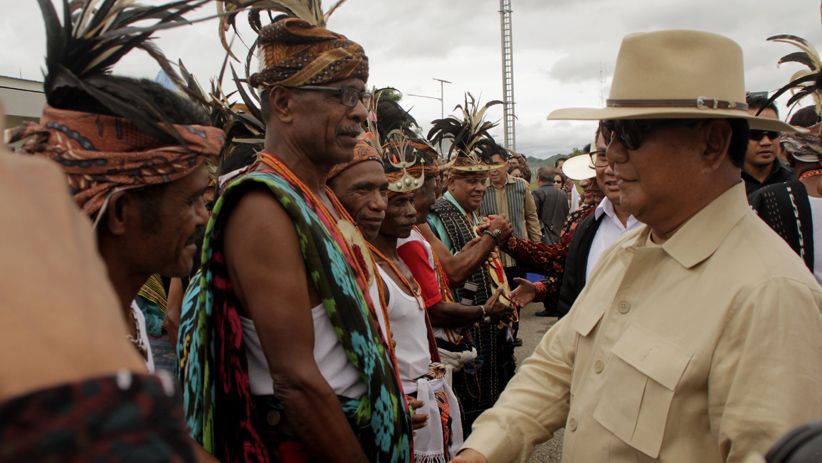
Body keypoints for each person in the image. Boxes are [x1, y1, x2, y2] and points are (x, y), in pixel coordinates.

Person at [453, 30, 822, 463]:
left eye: (630, 132)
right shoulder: (626, 253)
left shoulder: (770, 296)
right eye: (609, 133)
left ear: (712, 143)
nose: (610, 152)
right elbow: (555, 368)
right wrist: (480, 452)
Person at [177, 7, 412, 463]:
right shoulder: (262, 205)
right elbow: (297, 382)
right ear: (282, 103)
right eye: (342, 94)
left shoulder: (316, 196)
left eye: (360, 95)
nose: (361, 112)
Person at [9, 0, 222, 375]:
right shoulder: (43, 348)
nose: (204, 215)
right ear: (122, 212)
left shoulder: (130, 315)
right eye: (191, 200)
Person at [427, 95, 517, 431]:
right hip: (463, 334)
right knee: (466, 420)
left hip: (487, 333)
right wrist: (492, 237)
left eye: (482, 179)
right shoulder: (437, 215)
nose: (479, 186)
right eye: (470, 180)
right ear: (450, 181)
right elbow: (450, 272)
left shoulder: (470, 213)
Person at [512, 130, 642, 317]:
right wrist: (540, 289)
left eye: (624, 157)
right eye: (602, 157)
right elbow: (572, 277)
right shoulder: (587, 223)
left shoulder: (663, 223)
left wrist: (508, 240)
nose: (585, 183)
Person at [742, 93, 794, 195]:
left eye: (772, 133)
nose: (766, 142)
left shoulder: (795, 182)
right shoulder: (725, 185)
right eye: (755, 134)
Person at [532, 166, 570, 244]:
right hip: (560, 237)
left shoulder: (537, 193)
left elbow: (533, 217)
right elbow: (566, 214)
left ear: (538, 178)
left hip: (543, 239)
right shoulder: (563, 193)